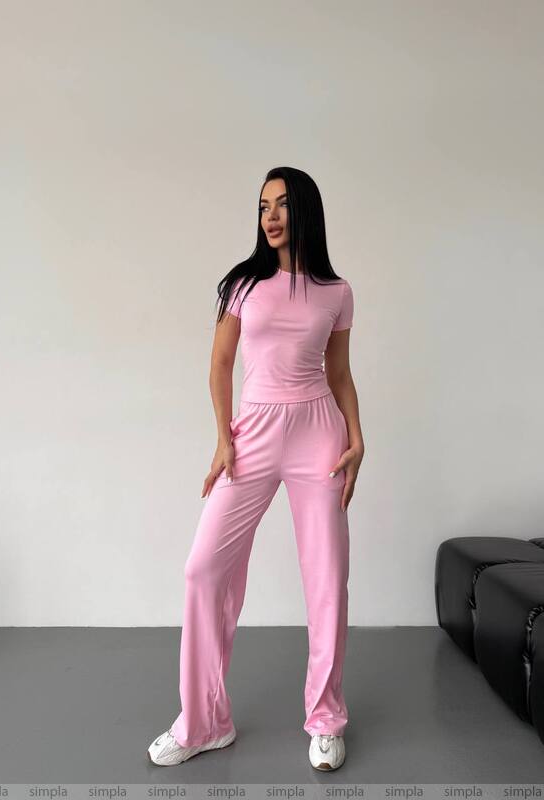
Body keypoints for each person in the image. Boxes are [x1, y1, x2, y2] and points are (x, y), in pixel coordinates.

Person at [147, 166, 364, 771]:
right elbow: (219, 365)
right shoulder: (243, 285)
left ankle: (326, 719)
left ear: (306, 211)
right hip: (255, 432)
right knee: (203, 569)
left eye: (282, 204)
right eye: (263, 205)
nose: (270, 216)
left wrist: (358, 436)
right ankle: (204, 721)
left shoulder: (337, 292)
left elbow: (339, 374)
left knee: (327, 580)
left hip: (319, 433)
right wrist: (224, 439)